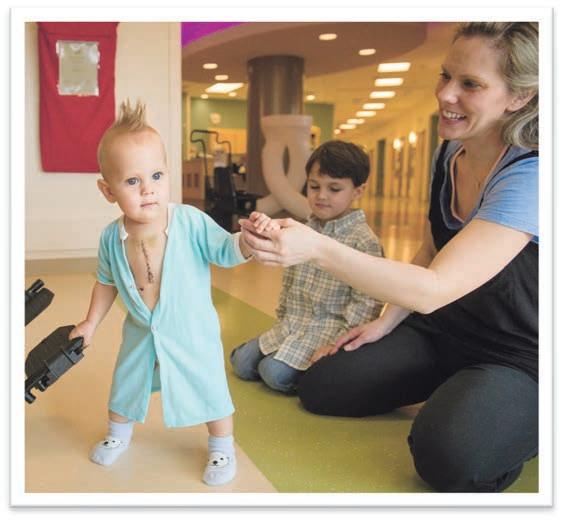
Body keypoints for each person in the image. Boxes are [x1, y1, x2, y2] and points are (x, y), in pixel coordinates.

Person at [240, 22, 539, 493]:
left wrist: (317, 246)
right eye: (446, 75)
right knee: (322, 386)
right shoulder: (449, 152)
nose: (446, 94)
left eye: (470, 84)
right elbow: (431, 250)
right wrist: (386, 322)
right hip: (443, 329)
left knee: (451, 459)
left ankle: (522, 412)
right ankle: (465, 390)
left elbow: (435, 287)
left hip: (521, 352)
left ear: (519, 97)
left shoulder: (533, 174)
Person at [69, 100, 252, 486]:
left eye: (156, 175)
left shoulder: (190, 221)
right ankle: (118, 434)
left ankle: (222, 446)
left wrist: (248, 242)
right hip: (142, 330)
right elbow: (106, 282)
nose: (148, 189)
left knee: (208, 386)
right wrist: (90, 322)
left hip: (191, 332)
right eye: (132, 181)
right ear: (107, 190)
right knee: (126, 382)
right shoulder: (111, 237)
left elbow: (226, 249)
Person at [230, 141, 384, 394]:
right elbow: (289, 278)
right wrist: (282, 318)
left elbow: (367, 303)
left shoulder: (364, 241)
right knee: (241, 363)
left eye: (334, 189)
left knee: (272, 373)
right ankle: (272, 357)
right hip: (292, 326)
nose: (321, 196)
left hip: (328, 334)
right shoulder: (303, 229)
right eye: (314, 186)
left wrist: (337, 345)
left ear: (358, 191)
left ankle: (311, 374)